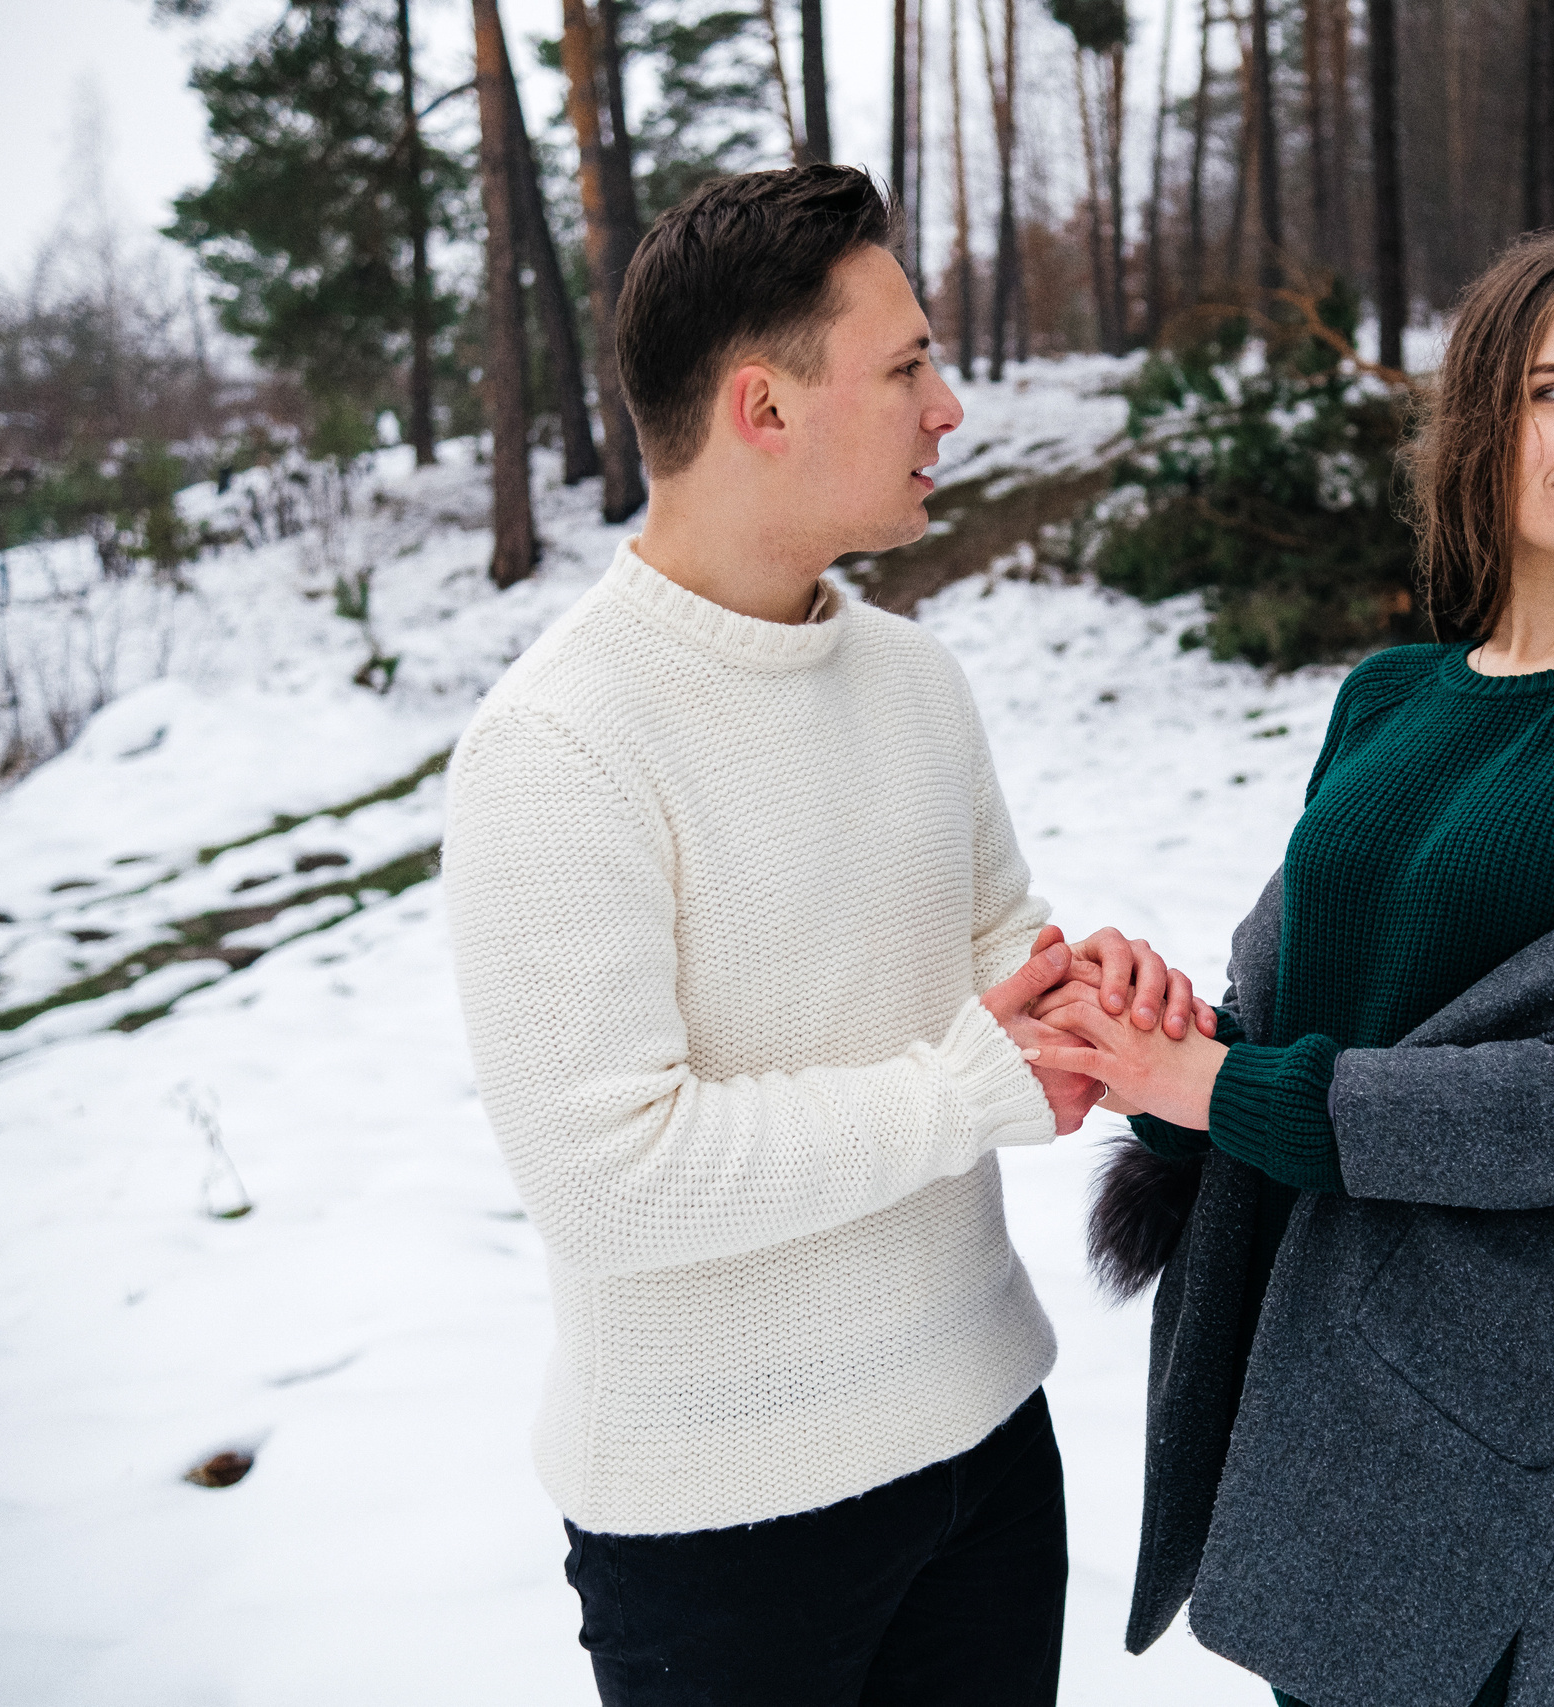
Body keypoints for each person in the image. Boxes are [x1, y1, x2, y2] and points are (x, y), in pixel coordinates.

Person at [441, 164, 1205, 1707]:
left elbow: (1001, 965)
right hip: (724, 1537)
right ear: (762, 409)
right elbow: (610, 1178)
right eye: (910, 364)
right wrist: (967, 1091)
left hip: (987, 1445)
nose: (952, 409)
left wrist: (1089, 1004)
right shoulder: (559, 744)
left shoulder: (917, 680)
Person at [1032, 222, 1554, 1707]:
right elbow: (1303, 1023)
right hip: (1295, 1345)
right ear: (1483, 427)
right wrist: (1164, 1050)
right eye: (1553, 391)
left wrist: (1229, 1084)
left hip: (1487, 1368)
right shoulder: (1389, 697)